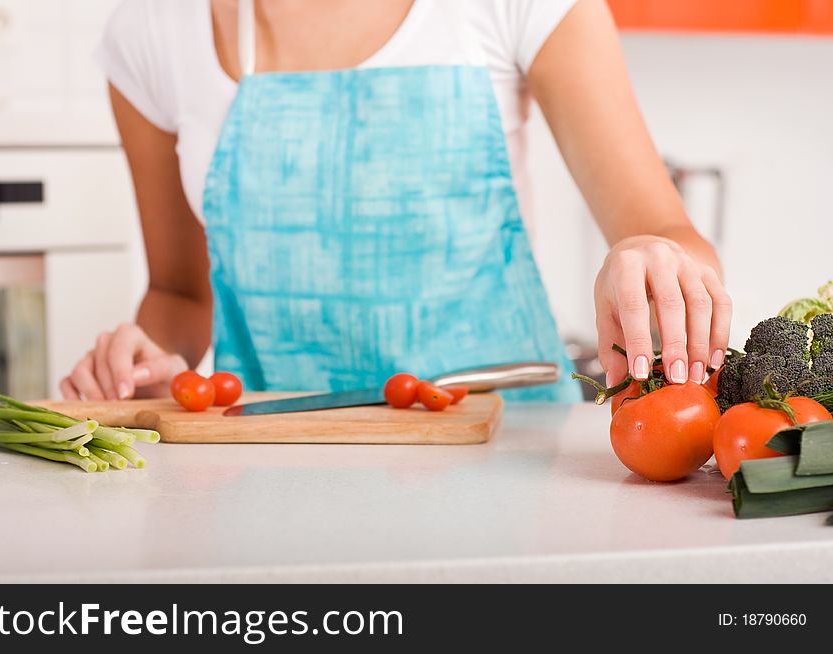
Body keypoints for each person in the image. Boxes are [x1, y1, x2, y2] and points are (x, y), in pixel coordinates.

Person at [61, 0, 731, 402]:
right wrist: (147, 366)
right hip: (269, 471)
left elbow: (668, 231)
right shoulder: (154, 29)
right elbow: (180, 295)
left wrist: (654, 253)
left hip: (508, 469)